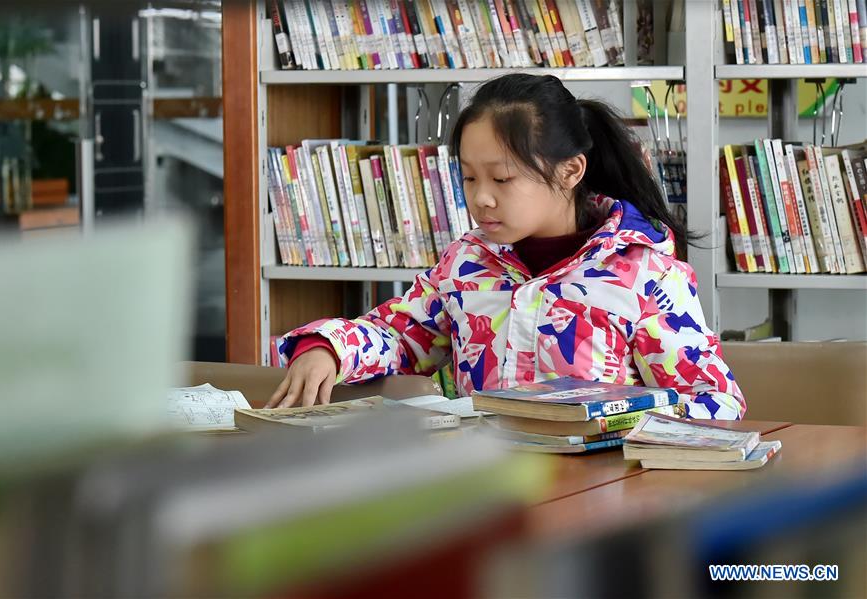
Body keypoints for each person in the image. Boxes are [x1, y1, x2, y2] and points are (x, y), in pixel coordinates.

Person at [268, 73, 745, 420]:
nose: (481, 198)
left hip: (598, 498)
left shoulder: (643, 273)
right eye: (469, 177)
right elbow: (400, 336)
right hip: (483, 493)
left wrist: (614, 426)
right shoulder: (466, 263)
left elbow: (715, 400)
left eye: (502, 178)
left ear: (570, 171)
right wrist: (326, 348)